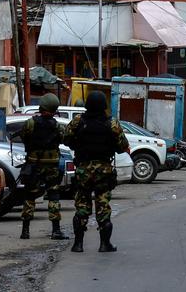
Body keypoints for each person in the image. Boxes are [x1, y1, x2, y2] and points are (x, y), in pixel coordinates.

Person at [63, 91, 130, 253]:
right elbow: (123, 146)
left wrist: (78, 145)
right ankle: (104, 244)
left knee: (81, 206)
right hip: (103, 170)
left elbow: (65, 139)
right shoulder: (111, 123)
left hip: (83, 169)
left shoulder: (78, 121)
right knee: (103, 205)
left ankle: (78, 244)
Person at [11, 93, 67, 241]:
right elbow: (63, 139)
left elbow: (24, 136)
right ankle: (56, 230)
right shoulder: (57, 125)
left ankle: (25, 231)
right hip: (52, 166)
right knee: (53, 196)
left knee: (30, 196)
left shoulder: (31, 123)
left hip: (34, 164)